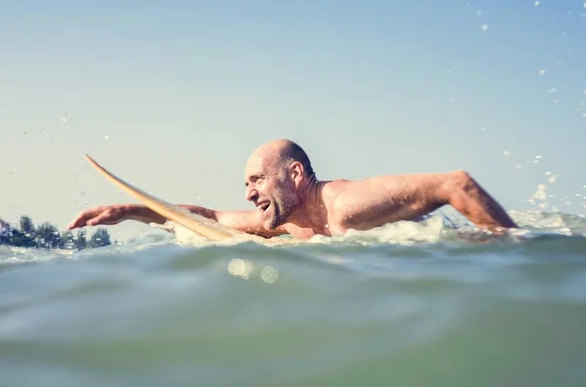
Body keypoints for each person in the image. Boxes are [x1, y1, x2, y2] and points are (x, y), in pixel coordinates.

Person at [67, 139, 519, 239]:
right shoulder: (286, 224)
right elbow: (207, 218)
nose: (248, 195)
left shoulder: (347, 204)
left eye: (257, 181)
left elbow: (456, 183)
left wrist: (509, 247)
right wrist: (130, 210)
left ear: (296, 175)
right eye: (245, 185)